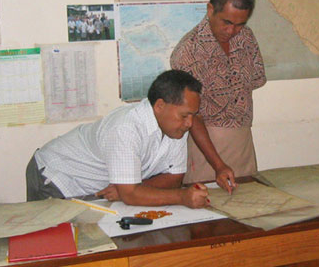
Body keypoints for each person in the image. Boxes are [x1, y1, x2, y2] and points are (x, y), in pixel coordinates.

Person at [25, 70, 209, 208]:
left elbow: (174, 178)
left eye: (194, 115)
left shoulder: (175, 128)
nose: (190, 123)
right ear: (160, 106)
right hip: (59, 176)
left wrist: (132, 189)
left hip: (100, 187)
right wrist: (181, 197)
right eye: (185, 115)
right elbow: (131, 196)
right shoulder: (125, 128)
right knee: (62, 246)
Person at [170, 0, 266, 194]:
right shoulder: (188, 52)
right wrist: (218, 165)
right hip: (207, 148)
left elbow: (253, 82)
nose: (232, 30)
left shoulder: (247, 38)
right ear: (210, 9)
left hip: (242, 143)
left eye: (240, 23)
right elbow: (191, 117)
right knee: (210, 217)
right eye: (226, 22)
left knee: (249, 210)